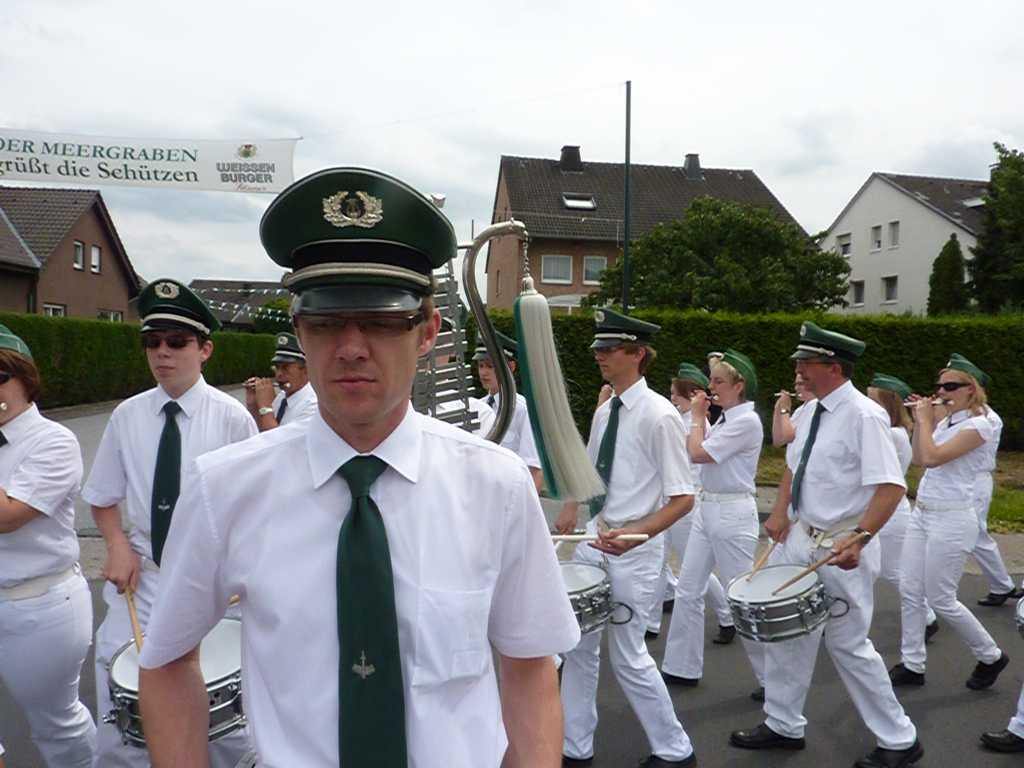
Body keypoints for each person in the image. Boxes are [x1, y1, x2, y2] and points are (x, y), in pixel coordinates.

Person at [136, 168, 580, 767]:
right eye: (325, 322)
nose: (350, 347)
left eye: (379, 320)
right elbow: (166, 659)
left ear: (428, 332)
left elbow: (529, 666)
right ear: (299, 330)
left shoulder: (495, 485)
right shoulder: (225, 488)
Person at [730, 321, 922, 768]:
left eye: (806, 362)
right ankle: (783, 724)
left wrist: (861, 537)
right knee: (788, 638)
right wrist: (780, 512)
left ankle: (899, 739)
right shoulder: (809, 412)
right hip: (802, 536)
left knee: (848, 644)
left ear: (833, 367)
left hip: (840, 545)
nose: (798, 369)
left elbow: (891, 486)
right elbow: (793, 468)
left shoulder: (864, 415)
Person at [82, 279, 257, 768]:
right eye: (152, 341)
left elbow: (252, 509)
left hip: (211, 583)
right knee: (121, 707)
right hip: (145, 580)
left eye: (177, 341)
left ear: (205, 349)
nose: (162, 352)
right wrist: (116, 543)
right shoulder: (127, 416)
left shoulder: (232, 419)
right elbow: (103, 497)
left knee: (223, 718)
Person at [554, 308, 698, 767]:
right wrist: (573, 505)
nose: (599, 355)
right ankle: (575, 747)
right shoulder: (606, 411)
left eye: (609, 348)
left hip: (634, 554)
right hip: (597, 542)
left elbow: (683, 498)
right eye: (598, 347)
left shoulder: (660, 416)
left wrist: (637, 535)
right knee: (578, 648)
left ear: (637, 354)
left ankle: (675, 751)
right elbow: (592, 469)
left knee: (629, 655)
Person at [0, 324, 96, 767]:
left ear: (26, 380)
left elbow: (8, 516)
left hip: (36, 604)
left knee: (54, 723)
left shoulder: (54, 441)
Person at [889, 354, 1009, 692]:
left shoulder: (979, 425)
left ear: (971, 389)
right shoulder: (947, 422)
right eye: (940, 386)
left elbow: (933, 458)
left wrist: (925, 420)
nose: (942, 392)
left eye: (951, 386)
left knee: (941, 597)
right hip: (924, 512)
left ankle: (990, 655)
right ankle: (912, 663)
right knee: (910, 589)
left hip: (953, 517)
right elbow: (919, 458)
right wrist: (921, 423)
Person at [661, 350, 765, 699]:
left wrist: (695, 417)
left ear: (739, 386)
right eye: (712, 380)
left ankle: (773, 679)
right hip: (709, 508)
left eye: (719, 381)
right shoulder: (728, 418)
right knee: (688, 590)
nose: (711, 386)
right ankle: (681, 667)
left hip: (733, 512)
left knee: (742, 599)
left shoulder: (746, 421)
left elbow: (698, 453)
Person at [646, 364, 734, 643]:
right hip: (667, 500)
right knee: (657, 561)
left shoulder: (693, 424)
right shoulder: (681, 419)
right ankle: (650, 622)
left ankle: (727, 616)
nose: (671, 398)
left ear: (692, 395)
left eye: (676, 394)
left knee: (694, 570)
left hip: (685, 503)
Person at [867, 375, 939, 652]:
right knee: (874, 569)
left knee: (893, 571)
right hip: (881, 509)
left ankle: (927, 616)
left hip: (891, 513)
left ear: (888, 405)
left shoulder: (893, 434)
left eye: (872, 400)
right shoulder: (890, 431)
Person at [968, 366, 1021, 606]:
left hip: (975, 481)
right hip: (961, 482)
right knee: (974, 535)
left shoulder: (988, 419)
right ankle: (1002, 585)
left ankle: (1002, 585)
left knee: (974, 534)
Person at [473, 330, 543, 492]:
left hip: (509, 492)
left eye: (490, 366)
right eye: (481, 365)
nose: (483, 372)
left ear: (511, 367)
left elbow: (534, 469)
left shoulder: (522, 410)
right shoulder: (478, 407)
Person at [245, 332, 318, 430]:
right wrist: (254, 405)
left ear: (306, 370)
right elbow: (261, 433)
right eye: (277, 367)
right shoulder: (282, 397)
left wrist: (266, 407)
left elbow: (276, 438)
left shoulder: (313, 405)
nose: (279, 374)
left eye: (285, 368)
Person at [771, 374, 813, 447]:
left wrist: (785, 409)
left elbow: (789, 437)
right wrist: (777, 408)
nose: (796, 388)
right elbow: (778, 441)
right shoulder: (799, 411)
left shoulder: (816, 406)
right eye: (795, 384)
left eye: (800, 384)